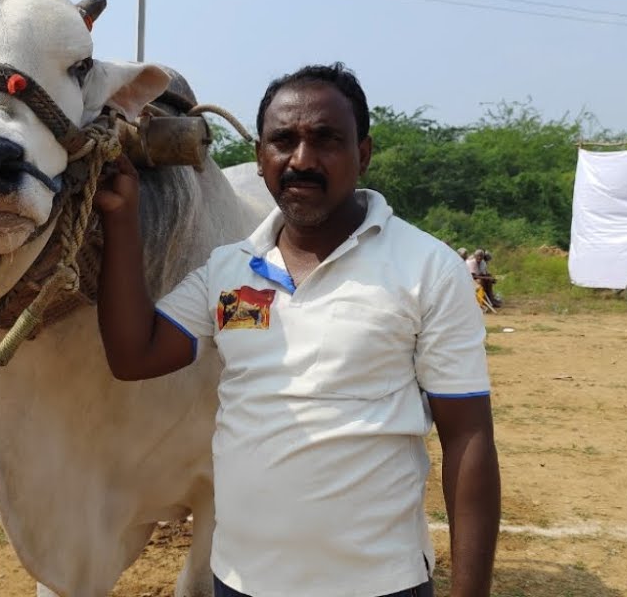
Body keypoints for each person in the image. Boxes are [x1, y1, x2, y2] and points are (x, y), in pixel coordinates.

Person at [94, 63, 499, 596]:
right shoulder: (228, 269)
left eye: (326, 140)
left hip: (381, 584)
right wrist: (121, 220)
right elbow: (134, 355)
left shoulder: (428, 266)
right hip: (240, 580)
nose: (302, 160)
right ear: (260, 158)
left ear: (364, 153)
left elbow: (468, 435)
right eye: (282, 141)